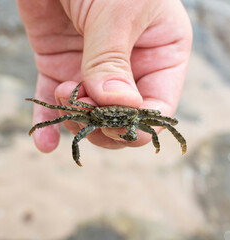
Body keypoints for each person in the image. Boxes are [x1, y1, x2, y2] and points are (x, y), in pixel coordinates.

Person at [17, 0, 192, 153]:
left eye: (120, 120)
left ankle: (166, 146)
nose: (115, 121)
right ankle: (45, 132)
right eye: (113, 119)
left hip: (113, 115)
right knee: (66, 119)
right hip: (96, 117)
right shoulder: (92, 114)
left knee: (161, 125)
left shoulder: (137, 117)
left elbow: (166, 123)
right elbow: (69, 109)